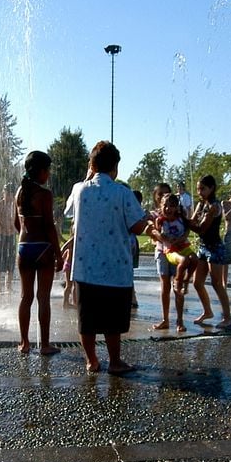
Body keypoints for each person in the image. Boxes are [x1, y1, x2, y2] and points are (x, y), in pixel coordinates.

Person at [66, 141, 149, 374]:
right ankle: (114, 361)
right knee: (113, 320)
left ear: (91, 165)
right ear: (116, 168)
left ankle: (92, 361)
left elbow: (69, 211)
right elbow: (137, 226)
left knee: (87, 319)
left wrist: (88, 174)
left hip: (85, 267)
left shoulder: (79, 190)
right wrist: (149, 220)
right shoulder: (122, 193)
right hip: (115, 267)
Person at [15, 151, 63, 356]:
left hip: (24, 248)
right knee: (43, 297)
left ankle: (24, 343)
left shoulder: (19, 192)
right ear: (41, 171)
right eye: (48, 170)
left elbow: (16, 223)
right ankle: (44, 345)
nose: (49, 174)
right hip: (43, 248)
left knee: (26, 297)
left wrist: (27, 238)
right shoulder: (45, 194)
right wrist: (59, 254)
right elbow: (50, 226)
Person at [188, 174, 231, 328]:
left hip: (215, 248)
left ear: (211, 188)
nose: (200, 192)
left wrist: (184, 219)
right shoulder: (201, 205)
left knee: (216, 283)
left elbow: (201, 229)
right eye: (198, 189)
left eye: (203, 189)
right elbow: (192, 221)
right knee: (197, 282)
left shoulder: (214, 206)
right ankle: (208, 311)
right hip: (203, 247)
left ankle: (227, 317)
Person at [147, 183, 186, 333]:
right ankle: (165, 319)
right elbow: (150, 229)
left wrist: (181, 238)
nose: (163, 196)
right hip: (162, 252)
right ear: (155, 197)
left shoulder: (177, 213)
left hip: (177, 252)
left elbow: (186, 227)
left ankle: (180, 320)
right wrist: (160, 236)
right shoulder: (155, 214)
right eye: (160, 194)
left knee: (178, 286)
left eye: (166, 193)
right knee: (165, 286)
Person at [151, 193, 196, 301]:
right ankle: (178, 280)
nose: (168, 209)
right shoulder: (161, 220)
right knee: (184, 261)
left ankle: (186, 280)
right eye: (165, 206)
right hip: (170, 249)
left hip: (182, 246)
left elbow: (187, 229)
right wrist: (167, 239)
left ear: (176, 207)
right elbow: (160, 234)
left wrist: (181, 239)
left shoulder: (180, 218)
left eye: (171, 206)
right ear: (161, 206)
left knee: (195, 259)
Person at [0, 183, 17, 294]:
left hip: (11, 236)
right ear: (3, 193)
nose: (9, 196)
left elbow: (19, 222)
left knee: (10, 262)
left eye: (11, 194)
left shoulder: (15, 205)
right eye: (7, 193)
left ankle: (8, 286)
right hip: (0, 235)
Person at [60, 233, 76, 308]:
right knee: (69, 285)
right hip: (69, 265)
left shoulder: (76, 241)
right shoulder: (73, 240)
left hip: (71, 265)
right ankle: (66, 303)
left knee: (73, 285)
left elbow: (64, 255)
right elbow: (63, 249)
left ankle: (73, 302)